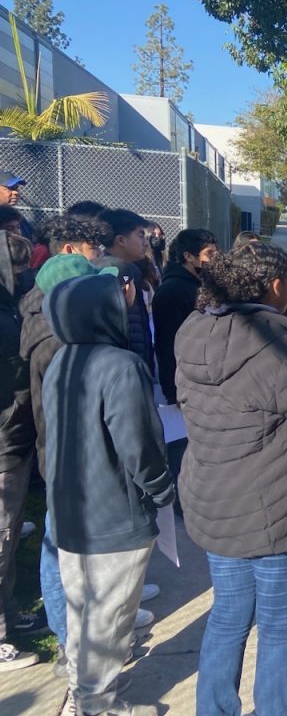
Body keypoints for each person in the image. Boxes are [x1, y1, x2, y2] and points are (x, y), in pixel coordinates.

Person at [174, 242, 287, 716]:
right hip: (280, 507)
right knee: (278, 626)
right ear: (276, 285)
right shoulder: (277, 347)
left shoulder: (192, 331)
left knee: (228, 615)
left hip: (214, 501)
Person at [43, 265, 174, 716]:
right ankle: (96, 705)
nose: (131, 301)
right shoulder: (121, 367)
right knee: (110, 618)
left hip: (71, 509)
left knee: (84, 610)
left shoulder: (63, 359)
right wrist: (162, 490)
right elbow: (139, 445)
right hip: (115, 515)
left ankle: (84, 690)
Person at [18, 217, 108, 669]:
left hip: (66, 451)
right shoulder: (58, 339)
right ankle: (71, 639)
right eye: (96, 248)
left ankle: (82, 631)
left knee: (72, 541)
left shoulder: (46, 314)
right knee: (63, 545)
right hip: (67, 453)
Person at [0, 231, 39, 672]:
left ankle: (9, 614)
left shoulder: (11, 307)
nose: (22, 276)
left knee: (9, 535)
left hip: (14, 438)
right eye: (15, 268)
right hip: (5, 438)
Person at [152, 229, 219, 406]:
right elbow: (166, 346)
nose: (215, 258)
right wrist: (173, 391)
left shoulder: (202, 285)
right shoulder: (171, 291)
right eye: (209, 253)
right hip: (186, 388)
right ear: (189, 256)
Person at [99, 209, 155, 374]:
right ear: (121, 240)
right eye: (140, 235)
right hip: (122, 373)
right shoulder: (111, 274)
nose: (146, 243)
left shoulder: (130, 271)